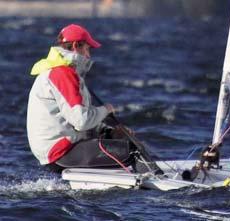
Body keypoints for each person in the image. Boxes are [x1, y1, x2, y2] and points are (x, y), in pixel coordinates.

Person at [27, 24, 161, 174]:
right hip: (60, 151)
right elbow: (81, 121)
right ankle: (160, 183)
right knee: (132, 150)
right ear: (76, 46)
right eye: (87, 49)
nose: (89, 55)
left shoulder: (59, 71)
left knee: (121, 142)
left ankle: (151, 176)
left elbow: (76, 122)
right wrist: (106, 110)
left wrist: (108, 132)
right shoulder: (63, 74)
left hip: (59, 148)